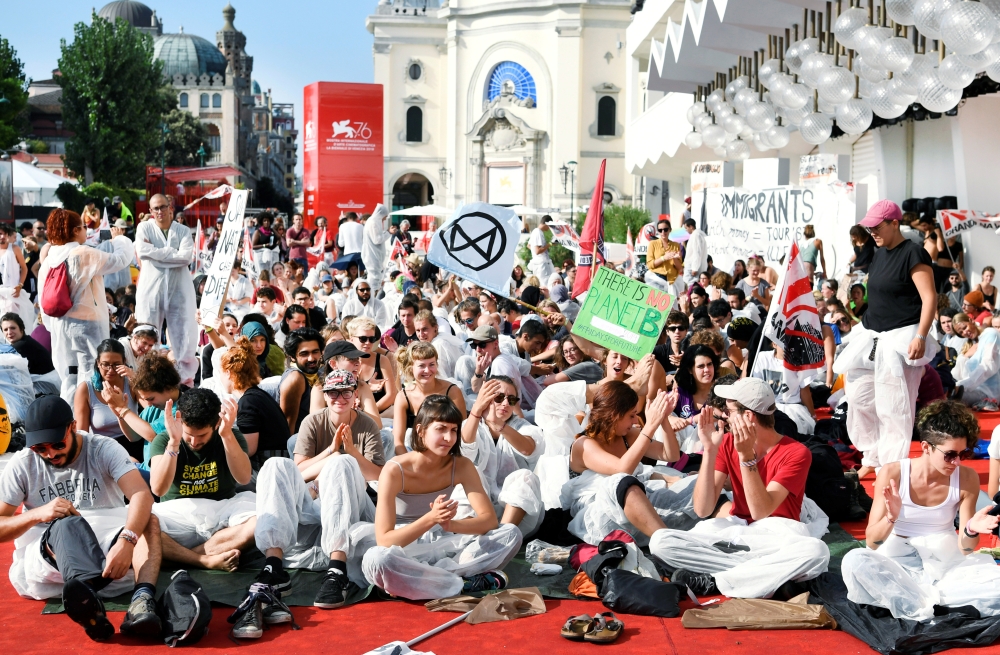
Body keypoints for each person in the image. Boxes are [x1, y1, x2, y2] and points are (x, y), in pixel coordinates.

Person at [648, 378, 829, 598]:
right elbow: (702, 510)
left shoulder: (796, 452)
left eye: (730, 410)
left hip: (777, 536)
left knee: (816, 553)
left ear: (749, 417)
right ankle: (763, 577)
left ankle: (716, 580)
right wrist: (709, 450)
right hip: (736, 533)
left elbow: (761, 512)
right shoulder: (725, 442)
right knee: (660, 542)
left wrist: (746, 457)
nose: (724, 415)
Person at [0, 396, 162, 640]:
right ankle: (85, 594)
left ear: (73, 427)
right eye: (40, 448)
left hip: (108, 558)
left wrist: (127, 540)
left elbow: (141, 495)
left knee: (149, 521)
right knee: (67, 522)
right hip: (51, 564)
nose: (50, 453)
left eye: (57, 444)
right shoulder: (22, 464)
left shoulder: (102, 448)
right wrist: (38, 514)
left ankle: (141, 600)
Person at [239, 370, 385, 635]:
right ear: (325, 395)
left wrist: (349, 452)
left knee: (342, 464)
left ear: (354, 396)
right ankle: (274, 566)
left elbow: (378, 475)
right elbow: (298, 472)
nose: (339, 398)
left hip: (354, 505)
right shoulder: (312, 422)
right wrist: (330, 451)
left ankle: (337, 569)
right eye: (333, 392)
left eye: (345, 392)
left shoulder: (367, 425)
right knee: (275, 465)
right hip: (314, 499)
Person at [842, 400, 1000, 621]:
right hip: (896, 563)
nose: (956, 462)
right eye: (949, 454)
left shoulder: (967, 478)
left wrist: (972, 528)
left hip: (944, 563)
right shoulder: (893, 473)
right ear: (926, 447)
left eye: (962, 454)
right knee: (855, 560)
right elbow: (872, 543)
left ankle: (917, 604)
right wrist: (891, 518)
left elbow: (965, 549)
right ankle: (934, 604)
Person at [363, 395, 521, 600]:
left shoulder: (461, 466)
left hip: (443, 544)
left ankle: (425, 582)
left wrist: (450, 524)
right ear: (420, 430)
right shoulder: (395, 470)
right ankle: (460, 582)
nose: (449, 438)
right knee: (376, 559)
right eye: (441, 429)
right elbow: (384, 539)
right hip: (403, 550)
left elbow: (489, 521)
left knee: (510, 533)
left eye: (454, 430)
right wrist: (431, 518)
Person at [835, 200, 938, 475]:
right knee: (858, 395)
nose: (872, 233)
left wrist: (920, 336)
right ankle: (873, 456)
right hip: (872, 335)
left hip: (902, 338)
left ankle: (891, 467)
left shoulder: (914, 253)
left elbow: (930, 298)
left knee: (894, 407)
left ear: (895, 223)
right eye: (869, 228)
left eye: (877, 227)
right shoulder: (878, 253)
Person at [149, 389, 255, 571]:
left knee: (261, 520)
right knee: (140, 524)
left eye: (202, 436)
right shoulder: (164, 440)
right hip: (176, 515)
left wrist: (226, 435)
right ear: (180, 422)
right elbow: (158, 490)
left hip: (222, 511)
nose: (194, 442)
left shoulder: (230, 435)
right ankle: (203, 560)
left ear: (216, 424)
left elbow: (244, 478)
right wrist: (174, 444)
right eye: (188, 434)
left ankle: (179, 558)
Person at [38, 210, 134, 401]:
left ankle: (70, 419)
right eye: (84, 227)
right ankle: (89, 419)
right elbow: (120, 260)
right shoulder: (82, 253)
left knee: (69, 375)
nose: (86, 231)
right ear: (75, 231)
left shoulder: (49, 259)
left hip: (61, 325)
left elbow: (43, 296)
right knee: (91, 372)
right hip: (88, 326)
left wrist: (52, 326)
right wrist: (119, 240)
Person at [460, 376, 545, 537]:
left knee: (526, 477)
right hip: (478, 510)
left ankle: (501, 539)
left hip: (516, 516)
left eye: (511, 399)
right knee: (467, 476)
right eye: (499, 397)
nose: (505, 403)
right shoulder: (471, 424)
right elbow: (464, 450)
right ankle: (470, 538)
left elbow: (529, 449)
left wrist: (500, 425)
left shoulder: (522, 426)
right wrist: (476, 411)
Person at [134, 195, 198, 386]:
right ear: (151, 211)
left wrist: (158, 254)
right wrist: (172, 253)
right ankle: (146, 374)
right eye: (155, 209)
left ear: (170, 207)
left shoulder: (184, 230)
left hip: (179, 288)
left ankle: (184, 380)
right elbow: (143, 251)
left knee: (183, 331)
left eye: (163, 207)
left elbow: (186, 257)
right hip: (150, 288)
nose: (160, 212)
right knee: (147, 329)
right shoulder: (144, 227)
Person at [218, 338, 291, 470]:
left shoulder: (248, 402)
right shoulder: (258, 396)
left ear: (228, 373)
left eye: (221, 373)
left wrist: (225, 431)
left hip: (267, 470)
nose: (220, 379)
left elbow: (248, 449)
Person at [393, 341, 467, 455]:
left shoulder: (452, 391)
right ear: (411, 367)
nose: (427, 370)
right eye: (422, 366)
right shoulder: (403, 397)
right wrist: (409, 466)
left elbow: (463, 432)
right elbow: (398, 441)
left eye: (431, 364)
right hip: (414, 454)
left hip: (447, 452)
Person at [348, 316, 398, 414]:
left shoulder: (382, 360)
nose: (368, 343)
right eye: (363, 339)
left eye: (372, 339)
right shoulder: (343, 361)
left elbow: (391, 394)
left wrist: (370, 412)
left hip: (380, 414)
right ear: (351, 339)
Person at [279, 328, 324, 435]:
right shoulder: (295, 378)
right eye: (304, 354)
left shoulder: (318, 374)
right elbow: (287, 426)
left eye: (315, 352)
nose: (311, 358)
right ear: (292, 357)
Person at [414, 309, 464, 381]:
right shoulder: (441, 338)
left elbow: (442, 378)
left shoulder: (438, 345)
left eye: (424, 329)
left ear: (435, 328)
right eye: (418, 330)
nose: (421, 334)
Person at [645, 218, 683, 293]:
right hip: (656, 279)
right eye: (660, 230)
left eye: (665, 229)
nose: (663, 232)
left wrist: (674, 259)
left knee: (672, 304)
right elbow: (650, 265)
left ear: (670, 230)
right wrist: (663, 258)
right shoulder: (653, 244)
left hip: (671, 281)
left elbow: (680, 268)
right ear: (658, 231)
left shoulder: (676, 245)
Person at [361, 204, 390, 293]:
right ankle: (372, 297)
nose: (385, 219)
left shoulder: (374, 222)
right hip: (372, 256)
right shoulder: (373, 222)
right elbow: (377, 239)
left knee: (375, 278)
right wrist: (388, 233)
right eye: (385, 216)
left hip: (373, 255)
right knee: (374, 279)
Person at [527, 215, 555, 283]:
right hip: (541, 265)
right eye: (549, 225)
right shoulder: (538, 232)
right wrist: (550, 244)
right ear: (547, 223)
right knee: (545, 284)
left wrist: (535, 254)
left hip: (538, 263)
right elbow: (537, 251)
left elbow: (528, 245)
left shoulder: (535, 231)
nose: (549, 228)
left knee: (542, 283)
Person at [682, 218, 707, 284]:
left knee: (690, 285)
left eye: (686, 227)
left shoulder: (696, 235)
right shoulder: (697, 235)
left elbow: (697, 252)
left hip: (692, 266)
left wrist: (694, 268)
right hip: (694, 265)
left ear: (691, 226)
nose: (686, 230)